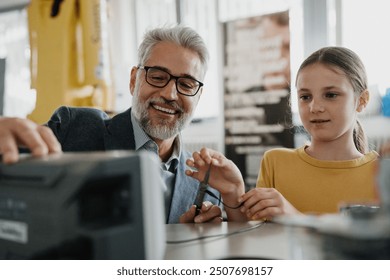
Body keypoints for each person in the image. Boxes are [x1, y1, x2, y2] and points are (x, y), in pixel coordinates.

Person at [0, 25, 222, 224]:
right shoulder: (73, 129)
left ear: (198, 96)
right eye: (157, 76)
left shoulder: (205, 182)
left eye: (186, 83)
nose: (170, 94)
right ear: (134, 80)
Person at [186, 46, 379, 221]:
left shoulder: (381, 175)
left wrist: (295, 218)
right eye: (305, 97)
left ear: (361, 100)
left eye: (331, 95)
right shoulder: (275, 162)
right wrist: (232, 193)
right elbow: (253, 237)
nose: (315, 107)